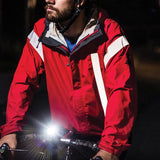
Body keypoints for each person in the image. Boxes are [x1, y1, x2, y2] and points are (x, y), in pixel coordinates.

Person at [0, 0, 137, 159]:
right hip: (63, 135)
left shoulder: (109, 34)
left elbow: (122, 92)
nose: (48, 0)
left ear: (80, 2)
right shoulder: (41, 32)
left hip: (105, 138)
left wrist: (110, 147)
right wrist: (11, 129)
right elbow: (23, 82)